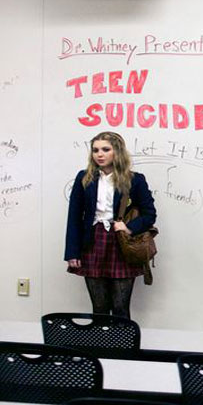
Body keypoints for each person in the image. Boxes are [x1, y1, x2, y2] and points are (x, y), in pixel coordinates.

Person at [65, 131, 156, 319]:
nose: (99, 154)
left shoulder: (135, 180)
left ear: (118, 151)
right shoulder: (84, 177)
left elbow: (150, 214)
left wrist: (129, 227)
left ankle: (121, 340)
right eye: (95, 150)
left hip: (121, 243)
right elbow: (74, 216)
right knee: (99, 307)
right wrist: (72, 252)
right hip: (92, 241)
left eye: (106, 149)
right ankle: (100, 339)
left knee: (120, 307)